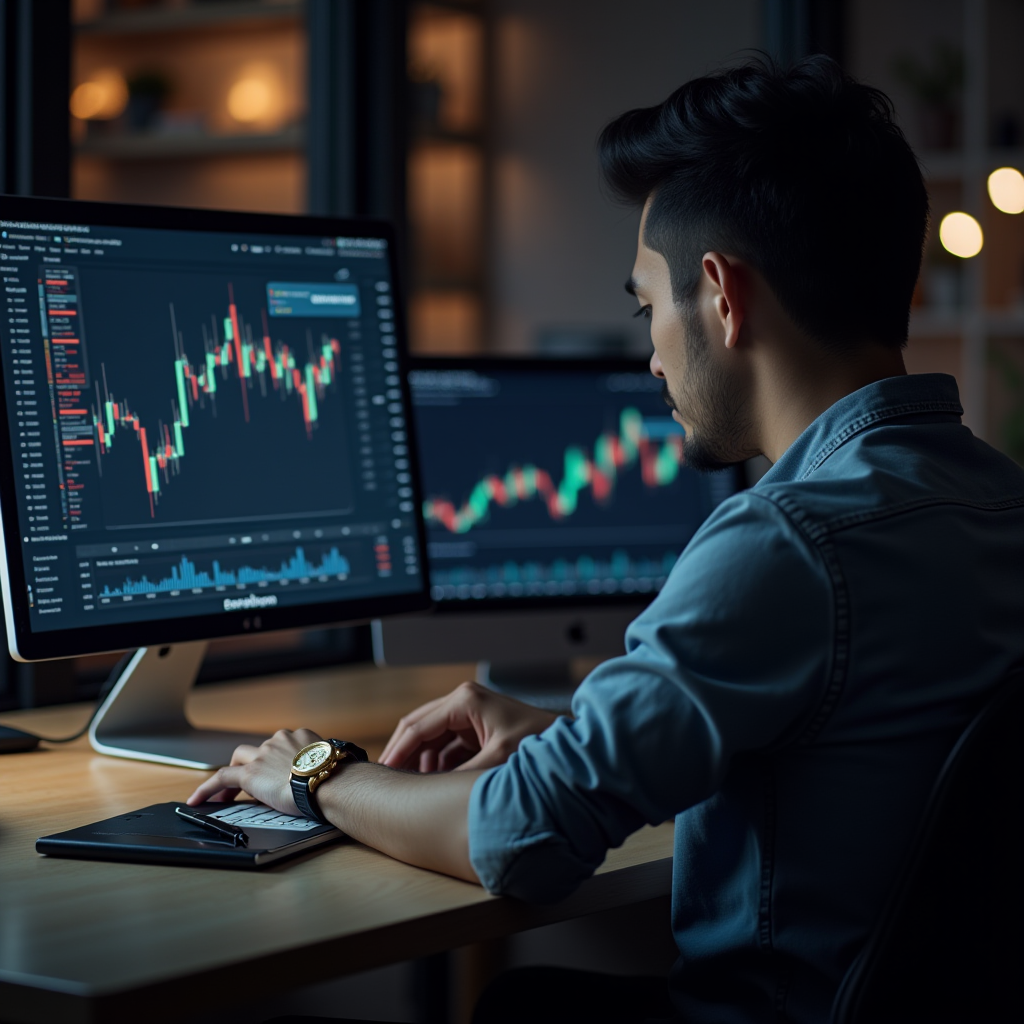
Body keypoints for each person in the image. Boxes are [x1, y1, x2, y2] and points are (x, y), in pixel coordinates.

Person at [189, 55, 1024, 1023]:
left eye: (646, 305)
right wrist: (570, 739)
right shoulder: (999, 503)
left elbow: (519, 841)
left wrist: (314, 772)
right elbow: (859, 761)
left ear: (720, 293)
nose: (649, 352)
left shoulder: (786, 542)